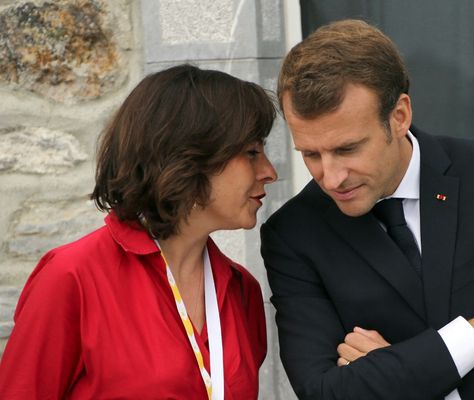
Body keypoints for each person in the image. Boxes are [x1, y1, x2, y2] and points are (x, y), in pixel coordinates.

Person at [260, 19, 474, 399]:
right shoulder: (293, 234)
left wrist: (405, 376)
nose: (331, 177)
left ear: (400, 116)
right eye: (310, 154)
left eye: (347, 149)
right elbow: (325, 391)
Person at [0, 64, 277, 399]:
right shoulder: (72, 277)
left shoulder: (241, 290)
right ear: (188, 156)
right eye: (251, 152)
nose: (268, 171)